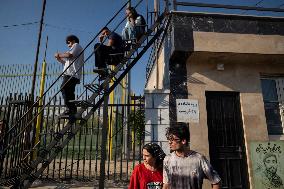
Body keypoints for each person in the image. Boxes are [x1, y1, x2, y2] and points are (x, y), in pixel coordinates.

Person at [163, 123, 221, 189]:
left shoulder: (199, 159)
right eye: (169, 139)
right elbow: (166, 184)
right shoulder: (167, 159)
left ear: (183, 141)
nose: (169, 142)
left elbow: (216, 182)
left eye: (173, 140)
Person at [54, 35, 84, 117]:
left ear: (73, 40)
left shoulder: (76, 45)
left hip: (71, 74)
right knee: (69, 92)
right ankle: (72, 109)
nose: (68, 45)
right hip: (70, 74)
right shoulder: (73, 49)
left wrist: (59, 55)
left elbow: (69, 55)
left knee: (63, 88)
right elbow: (67, 62)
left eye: (69, 42)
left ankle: (69, 108)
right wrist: (59, 59)